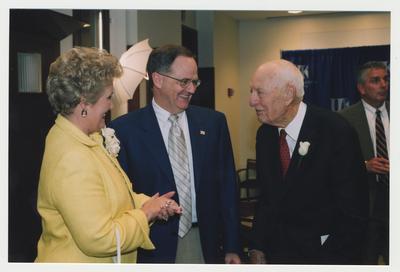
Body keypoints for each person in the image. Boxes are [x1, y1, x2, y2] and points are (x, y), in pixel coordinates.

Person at [35, 47, 181, 263]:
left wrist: (152, 203)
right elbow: (99, 238)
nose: (111, 105)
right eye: (108, 97)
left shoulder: (85, 137)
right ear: (84, 104)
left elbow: (113, 197)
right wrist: (146, 214)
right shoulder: (72, 157)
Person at [110, 44, 241, 264]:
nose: (191, 89)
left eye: (195, 82)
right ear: (158, 80)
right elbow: (121, 196)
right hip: (151, 247)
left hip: (206, 243)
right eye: (184, 81)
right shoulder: (124, 130)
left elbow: (228, 188)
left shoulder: (213, 123)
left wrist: (232, 246)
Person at [247, 59, 369, 264]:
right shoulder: (265, 135)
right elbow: (267, 198)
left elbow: (354, 211)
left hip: (325, 256)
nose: (252, 101)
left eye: (259, 92)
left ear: (288, 94)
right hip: (278, 255)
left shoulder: (335, 131)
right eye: (251, 92)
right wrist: (257, 245)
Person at [339, 61, 390, 264]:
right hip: (365, 205)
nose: (383, 84)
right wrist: (364, 165)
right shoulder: (344, 119)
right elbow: (335, 165)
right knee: (365, 261)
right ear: (361, 88)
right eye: (375, 80)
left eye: (385, 79)